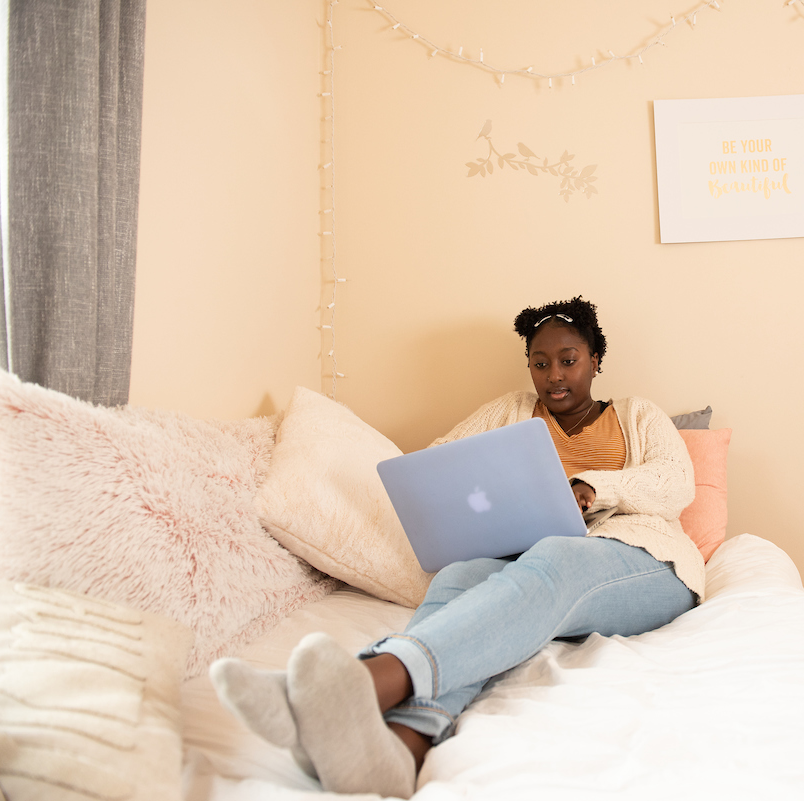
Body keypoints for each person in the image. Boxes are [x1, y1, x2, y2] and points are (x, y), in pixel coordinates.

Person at [211, 296, 706, 798]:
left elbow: (676, 481)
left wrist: (593, 488)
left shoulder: (638, 414)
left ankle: (357, 683)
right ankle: (400, 749)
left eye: (568, 360)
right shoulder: (510, 411)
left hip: (644, 560)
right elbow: (438, 464)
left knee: (556, 559)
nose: (554, 374)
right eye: (540, 363)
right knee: (454, 580)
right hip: (531, 558)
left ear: (595, 360)